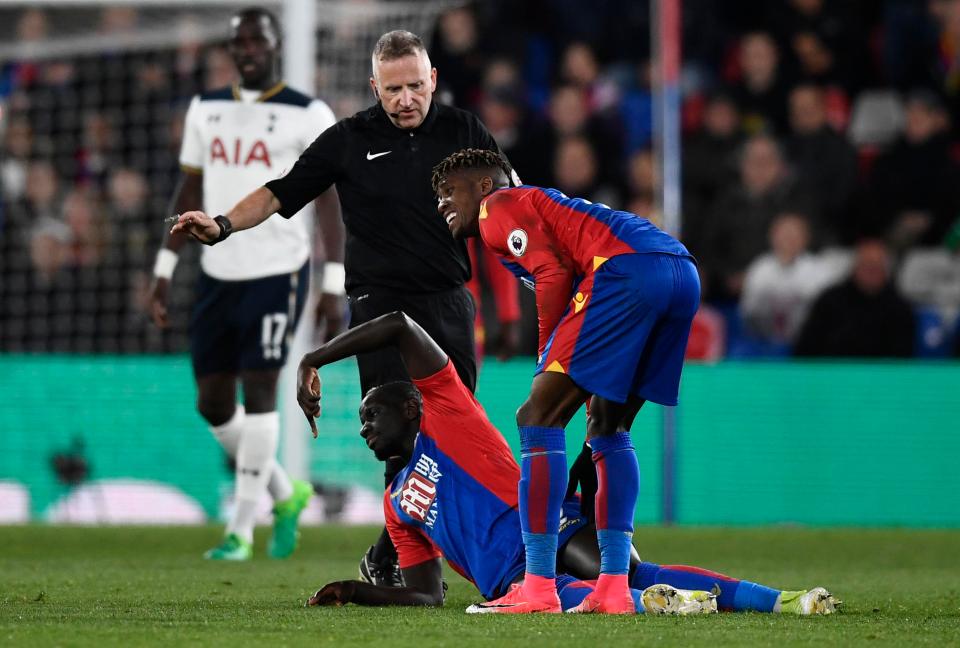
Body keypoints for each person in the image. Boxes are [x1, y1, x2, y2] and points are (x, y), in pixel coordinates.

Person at [169, 30, 585, 586]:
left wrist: (541, 268)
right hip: (378, 305)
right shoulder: (347, 140)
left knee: (450, 438)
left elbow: (512, 197)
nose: (406, 99)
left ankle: (392, 554)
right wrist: (221, 224)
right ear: (375, 87)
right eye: (393, 89)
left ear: (433, 79)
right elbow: (279, 191)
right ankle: (411, 567)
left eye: (416, 85)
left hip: (450, 303)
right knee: (397, 435)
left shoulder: (463, 130)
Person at [295, 311, 839, 616]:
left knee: (623, 574)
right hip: (510, 576)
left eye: (372, 414)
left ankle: (779, 600)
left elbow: (396, 324)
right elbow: (426, 595)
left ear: (411, 406)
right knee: (608, 584)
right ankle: (672, 603)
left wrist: (316, 357)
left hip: (548, 523)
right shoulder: (395, 507)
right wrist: (354, 589)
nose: (365, 428)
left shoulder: (446, 411)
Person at [430, 148, 700, 614]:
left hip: (625, 269)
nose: (442, 204)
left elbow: (551, 273)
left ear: (484, 187)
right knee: (607, 427)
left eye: (449, 191)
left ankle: (537, 588)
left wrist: (545, 360)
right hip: (679, 270)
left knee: (537, 416)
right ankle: (613, 588)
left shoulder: (501, 208)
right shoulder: (541, 209)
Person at [149, 8, 339, 560]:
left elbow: (328, 202)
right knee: (211, 402)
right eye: (239, 41)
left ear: (276, 45)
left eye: (257, 39)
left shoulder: (309, 113)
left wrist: (333, 280)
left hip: (279, 270)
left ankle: (240, 529)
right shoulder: (205, 108)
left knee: (259, 391)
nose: (248, 48)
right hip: (216, 271)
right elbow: (188, 194)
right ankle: (286, 492)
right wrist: (164, 270)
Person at [794, 239, 915, 357]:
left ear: (886, 270)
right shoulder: (829, 301)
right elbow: (806, 348)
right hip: (832, 373)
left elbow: (902, 358)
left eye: (877, 266)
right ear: (855, 267)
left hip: (881, 375)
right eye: (866, 265)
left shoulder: (900, 308)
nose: (871, 271)